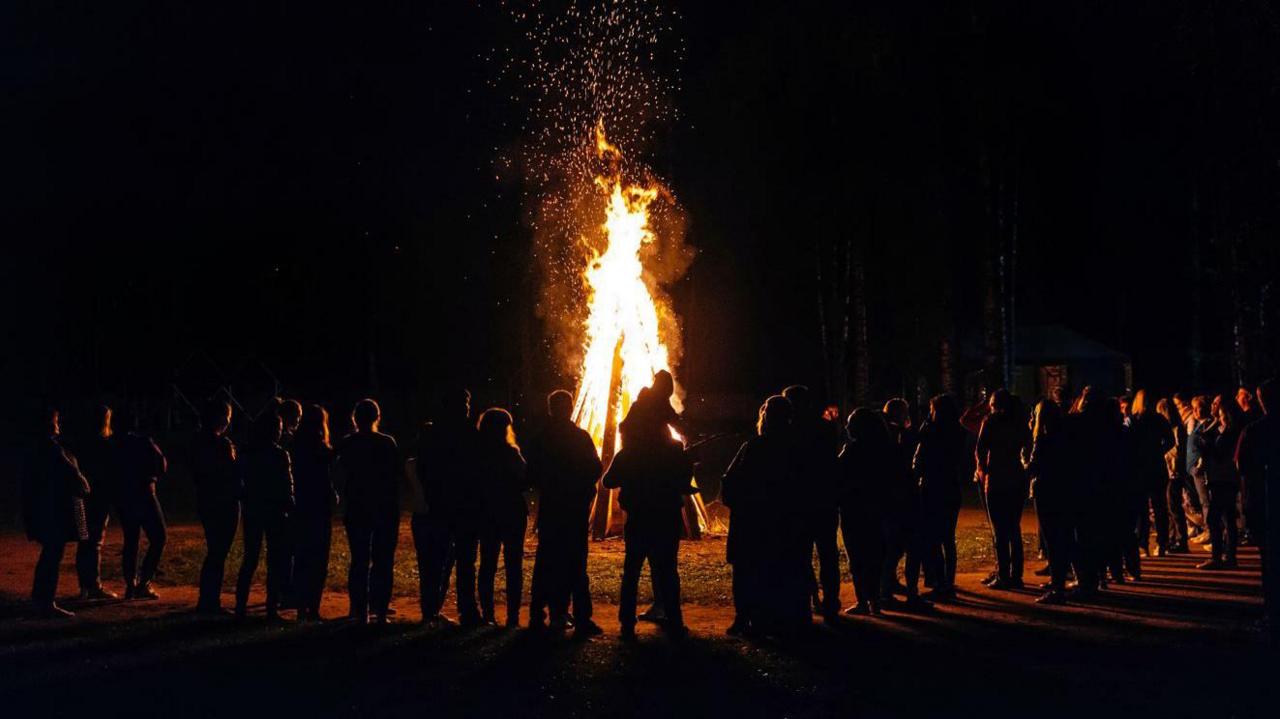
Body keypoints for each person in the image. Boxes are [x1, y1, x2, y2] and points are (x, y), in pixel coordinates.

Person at [603, 415, 697, 640]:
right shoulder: (674, 451)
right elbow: (685, 477)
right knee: (667, 570)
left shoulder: (630, 452)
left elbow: (608, 481)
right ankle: (674, 620)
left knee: (632, 571)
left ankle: (626, 622)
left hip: (639, 518)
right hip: (666, 517)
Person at [723, 395, 809, 636]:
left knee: (748, 569)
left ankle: (746, 617)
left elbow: (730, 481)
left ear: (765, 417)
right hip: (783, 522)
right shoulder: (797, 449)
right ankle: (777, 617)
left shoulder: (754, 447)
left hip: (754, 521)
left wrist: (738, 503)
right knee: (780, 568)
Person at [526, 389, 603, 636]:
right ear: (569, 408)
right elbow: (595, 469)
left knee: (546, 562)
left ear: (551, 409)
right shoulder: (580, 437)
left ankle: (539, 615)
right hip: (574, 510)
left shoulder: (541, 438)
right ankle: (581, 617)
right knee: (576, 563)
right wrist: (581, 488)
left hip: (552, 510)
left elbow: (532, 474)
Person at [335, 399, 400, 624]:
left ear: (355, 418)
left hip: (357, 506)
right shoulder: (386, 442)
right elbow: (394, 477)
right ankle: (380, 610)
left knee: (359, 559)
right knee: (383, 560)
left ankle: (359, 609)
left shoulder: (348, 443)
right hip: (383, 506)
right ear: (377, 417)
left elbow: (340, 474)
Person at [413, 389, 475, 626]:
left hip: (442, 505)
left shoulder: (431, 433)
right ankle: (464, 611)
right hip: (457, 506)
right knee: (460, 561)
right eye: (464, 405)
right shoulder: (468, 433)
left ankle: (432, 609)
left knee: (438, 561)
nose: (467, 409)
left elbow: (421, 466)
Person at [22, 408, 91, 618]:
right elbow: (70, 473)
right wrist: (82, 484)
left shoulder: (42, 448)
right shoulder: (50, 449)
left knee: (51, 554)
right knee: (53, 554)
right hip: (53, 510)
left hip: (46, 508)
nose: (58, 423)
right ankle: (45, 601)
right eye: (55, 420)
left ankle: (42, 599)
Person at [464, 408, 529, 628]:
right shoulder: (510, 453)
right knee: (513, 565)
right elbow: (525, 479)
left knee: (487, 563)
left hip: (487, 512)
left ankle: (488, 613)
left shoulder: (476, 454)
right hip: (511, 511)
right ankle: (512, 616)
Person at [782, 384, 841, 621]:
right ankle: (830, 601)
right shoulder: (824, 427)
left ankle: (809, 600)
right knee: (827, 553)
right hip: (825, 498)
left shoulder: (790, 431)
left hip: (802, 500)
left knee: (802, 553)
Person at [235, 414, 295, 621]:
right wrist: (289, 503)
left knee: (250, 558)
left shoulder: (247, 453)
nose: (280, 431)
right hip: (274, 510)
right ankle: (271, 608)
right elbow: (287, 484)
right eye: (278, 428)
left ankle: (240, 606)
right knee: (274, 559)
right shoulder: (279, 454)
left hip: (253, 509)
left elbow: (239, 480)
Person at [909, 394, 968, 602]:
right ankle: (948, 581)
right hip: (951, 486)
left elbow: (921, 457)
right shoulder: (960, 432)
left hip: (933, 486)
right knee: (948, 537)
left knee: (933, 537)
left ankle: (939, 581)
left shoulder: (931, 432)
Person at [838, 408, 895, 615]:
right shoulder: (885, 449)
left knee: (857, 555)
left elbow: (839, 475)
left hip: (854, 509)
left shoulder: (852, 450)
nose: (847, 427)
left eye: (851, 423)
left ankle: (864, 600)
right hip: (878, 508)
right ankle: (874, 601)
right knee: (875, 554)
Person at [1235, 379, 1278, 642]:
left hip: (1265, 503)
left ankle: (1272, 615)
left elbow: (1241, 465)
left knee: (1271, 562)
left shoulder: (1254, 431)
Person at [974, 390, 1030, 589]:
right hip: (1016, 478)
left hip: (997, 479)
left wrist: (982, 469)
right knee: (1013, 528)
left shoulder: (991, 422)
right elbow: (1028, 446)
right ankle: (1016, 575)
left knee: (999, 530)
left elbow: (980, 448)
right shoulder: (1020, 422)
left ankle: (1003, 574)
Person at [192, 400, 241, 614]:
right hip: (224, 502)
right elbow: (232, 474)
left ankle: (208, 598)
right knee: (218, 553)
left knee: (215, 551)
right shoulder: (221, 444)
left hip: (206, 500)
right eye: (227, 417)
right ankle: (210, 601)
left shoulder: (197, 442)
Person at [1024, 399, 1073, 604]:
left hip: (1046, 490)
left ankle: (1057, 586)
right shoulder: (1064, 434)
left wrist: (1023, 460)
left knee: (1052, 538)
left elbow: (1033, 468)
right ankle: (1058, 579)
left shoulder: (1042, 439)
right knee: (1060, 536)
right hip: (1063, 488)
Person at [116, 410, 168, 600]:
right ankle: (144, 582)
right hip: (145, 494)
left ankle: (131, 585)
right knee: (159, 537)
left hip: (124, 496)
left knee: (131, 540)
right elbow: (161, 465)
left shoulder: (117, 444)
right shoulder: (144, 442)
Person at [71, 404, 120, 600]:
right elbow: (110, 472)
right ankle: (94, 586)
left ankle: (85, 586)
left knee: (85, 541)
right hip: (98, 497)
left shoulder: (81, 443)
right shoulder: (103, 444)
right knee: (94, 542)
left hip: (81, 498)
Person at [292, 404, 335, 621]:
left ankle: (300, 606)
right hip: (318, 507)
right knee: (318, 559)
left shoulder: (295, 446)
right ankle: (313, 607)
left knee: (302, 557)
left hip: (301, 506)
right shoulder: (322, 449)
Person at [880, 398, 919, 608]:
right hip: (900, 497)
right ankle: (887, 591)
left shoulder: (885, 435)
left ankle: (888, 585)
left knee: (893, 546)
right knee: (899, 545)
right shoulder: (899, 436)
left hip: (892, 497)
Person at [1198, 396, 1244, 569]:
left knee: (1214, 518)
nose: (1213, 406)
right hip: (1222, 477)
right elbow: (1204, 436)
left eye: (1216, 404)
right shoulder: (1221, 427)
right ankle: (1230, 556)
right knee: (1227, 518)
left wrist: (1206, 444)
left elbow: (1218, 452)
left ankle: (1217, 557)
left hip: (1224, 477)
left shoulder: (1230, 430)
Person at [1129, 391, 1174, 557]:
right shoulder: (1160, 419)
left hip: (1139, 468)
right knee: (1160, 506)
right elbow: (1170, 441)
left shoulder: (1134, 420)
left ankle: (1143, 544)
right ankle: (1162, 543)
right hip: (1157, 466)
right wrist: (1158, 451)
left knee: (1142, 509)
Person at [1157, 397, 1191, 552]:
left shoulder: (1176, 429)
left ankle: (1181, 540)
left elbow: (1176, 452)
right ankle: (1174, 537)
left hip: (1174, 472)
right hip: (1171, 471)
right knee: (1170, 506)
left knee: (1174, 506)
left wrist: (1171, 467)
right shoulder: (1176, 428)